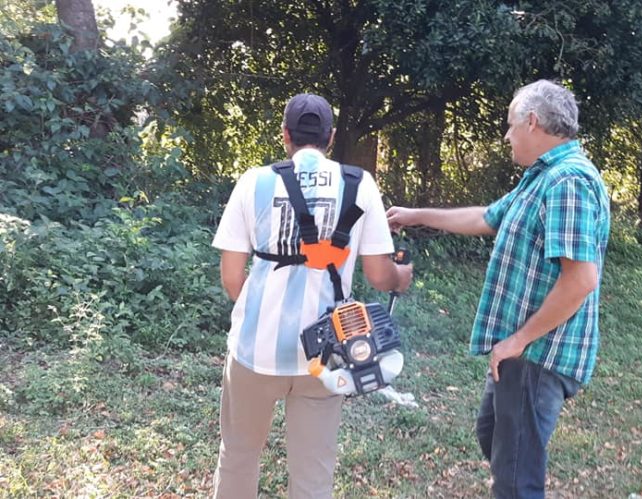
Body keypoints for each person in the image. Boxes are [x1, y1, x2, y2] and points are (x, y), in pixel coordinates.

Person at [387, 80, 610, 498]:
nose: (506, 136)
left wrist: (518, 341)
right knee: (493, 435)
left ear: (531, 121)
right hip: (523, 354)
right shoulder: (541, 177)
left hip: (538, 354)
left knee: (514, 480)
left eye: (509, 125)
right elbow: (486, 218)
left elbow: (580, 279)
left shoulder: (568, 182)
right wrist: (416, 215)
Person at [211, 93, 413, 499]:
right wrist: (401, 276)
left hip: (254, 350)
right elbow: (379, 275)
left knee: (238, 455)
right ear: (331, 136)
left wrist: (258, 317)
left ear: (285, 134)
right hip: (327, 353)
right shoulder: (359, 184)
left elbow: (232, 276)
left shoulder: (254, 181)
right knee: (313, 472)